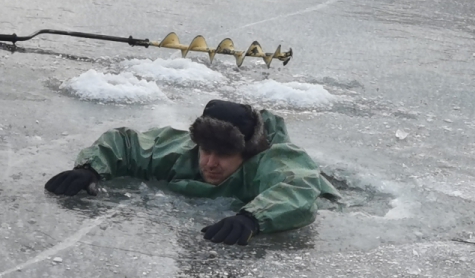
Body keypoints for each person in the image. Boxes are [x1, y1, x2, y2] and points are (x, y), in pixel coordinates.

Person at [45, 99, 340, 246]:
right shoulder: (182, 150)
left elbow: (299, 188)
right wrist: (90, 169)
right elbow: (127, 143)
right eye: (205, 150)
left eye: (224, 155)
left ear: (246, 153)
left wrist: (253, 218)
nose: (210, 163)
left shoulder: (273, 162)